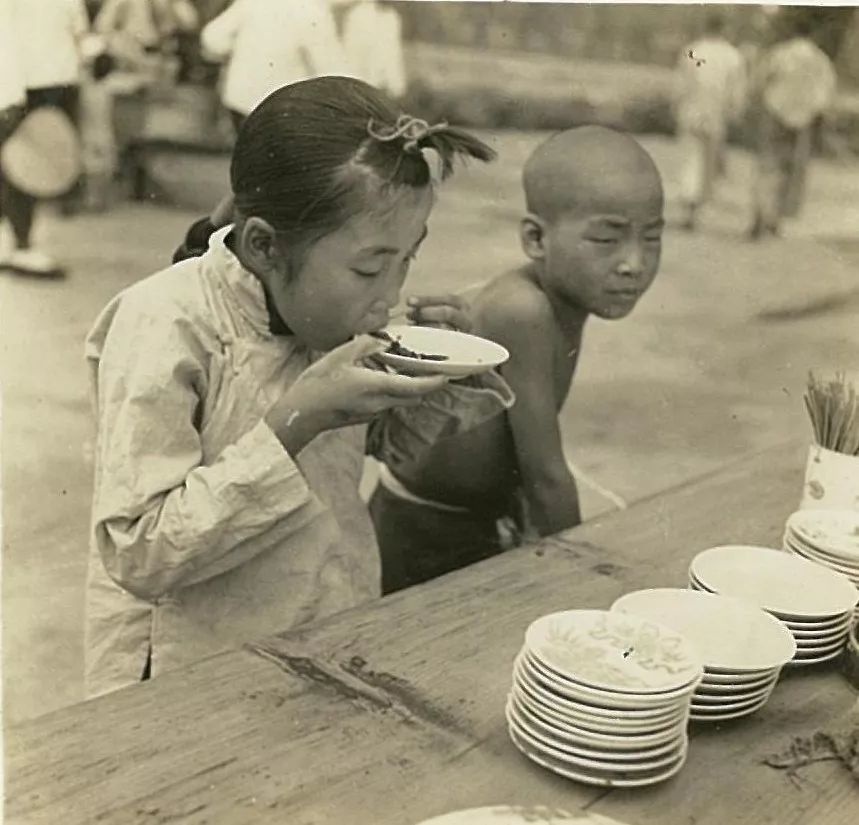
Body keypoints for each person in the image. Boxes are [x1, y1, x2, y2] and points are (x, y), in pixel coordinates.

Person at [83, 75, 509, 698]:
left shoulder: (326, 310)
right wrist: (294, 422)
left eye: (406, 259)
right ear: (263, 246)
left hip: (321, 627)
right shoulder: (166, 325)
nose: (389, 295)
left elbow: (376, 448)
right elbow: (137, 554)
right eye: (370, 267)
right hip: (188, 674)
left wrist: (441, 376)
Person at [369, 126, 665, 594]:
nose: (634, 262)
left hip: (478, 521)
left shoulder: (564, 302)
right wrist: (587, 583)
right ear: (535, 239)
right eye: (607, 240)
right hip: (422, 533)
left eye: (651, 237)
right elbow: (546, 477)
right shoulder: (524, 311)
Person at [0, 0, 88, 276]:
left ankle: (21, 242)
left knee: (36, 165)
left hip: (58, 84)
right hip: (23, 85)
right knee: (21, 166)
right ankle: (22, 244)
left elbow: (79, 32)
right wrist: (10, 93)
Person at [201, 0, 352, 134]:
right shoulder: (313, 11)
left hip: (241, 99)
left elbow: (212, 38)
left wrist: (240, 51)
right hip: (280, 106)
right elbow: (332, 67)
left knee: (246, 156)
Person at [748, 20, 837, 239]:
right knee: (792, 170)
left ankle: (760, 213)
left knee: (768, 166)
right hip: (802, 120)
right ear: (813, 35)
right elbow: (825, 96)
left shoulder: (780, 53)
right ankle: (775, 219)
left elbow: (758, 83)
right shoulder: (820, 60)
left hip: (775, 114)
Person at [673, 12, 746, 231]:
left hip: (692, 110)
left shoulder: (694, 50)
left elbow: (681, 83)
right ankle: (697, 211)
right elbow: (737, 92)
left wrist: (677, 105)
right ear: (724, 29)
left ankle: (690, 209)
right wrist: (734, 112)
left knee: (691, 158)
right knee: (708, 163)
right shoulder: (732, 56)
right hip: (716, 113)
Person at [341, 0, 407, 101]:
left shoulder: (392, 17)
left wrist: (396, 87)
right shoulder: (358, 15)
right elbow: (352, 58)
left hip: (385, 90)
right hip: (363, 89)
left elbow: (394, 56)